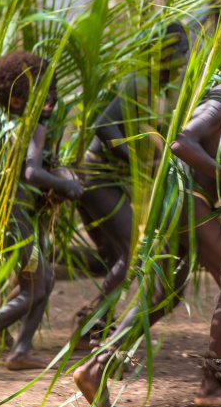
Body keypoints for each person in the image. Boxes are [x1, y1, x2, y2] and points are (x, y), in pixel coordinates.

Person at [73, 15, 221, 407]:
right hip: (188, 204)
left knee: (165, 295)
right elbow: (181, 144)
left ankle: (95, 368)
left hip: (181, 202)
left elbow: (208, 155)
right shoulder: (220, 100)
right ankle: (212, 386)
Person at [0, 50, 84, 376]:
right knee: (35, 289)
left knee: (44, 280)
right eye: (41, 93)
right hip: (17, 217)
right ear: (17, 99)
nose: (51, 99)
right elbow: (32, 174)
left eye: (50, 91)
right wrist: (67, 186)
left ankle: (20, 349)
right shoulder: (33, 130)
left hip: (1, 216)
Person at [74, 23, 189, 344]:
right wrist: (138, 165)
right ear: (165, 55)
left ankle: (90, 324)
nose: (184, 61)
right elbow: (104, 128)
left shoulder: (157, 91)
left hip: (109, 181)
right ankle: (90, 327)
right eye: (180, 53)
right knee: (132, 252)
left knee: (115, 255)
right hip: (99, 178)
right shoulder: (139, 83)